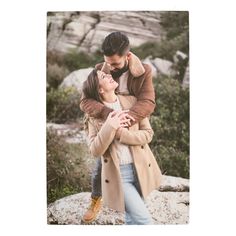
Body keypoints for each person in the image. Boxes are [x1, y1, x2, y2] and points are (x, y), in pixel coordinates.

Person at [80, 31, 156, 223]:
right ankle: (96, 197)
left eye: (115, 64)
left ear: (127, 56)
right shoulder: (101, 70)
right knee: (102, 162)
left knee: (135, 214)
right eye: (108, 63)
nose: (110, 69)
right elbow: (85, 102)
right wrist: (109, 116)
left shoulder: (143, 71)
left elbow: (147, 102)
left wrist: (124, 121)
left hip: (132, 117)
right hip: (108, 119)